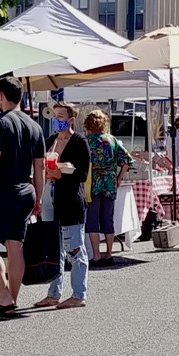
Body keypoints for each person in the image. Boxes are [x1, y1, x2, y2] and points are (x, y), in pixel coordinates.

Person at [0, 77, 45, 318]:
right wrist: (39, 197)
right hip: (26, 189)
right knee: (15, 245)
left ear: (0, 96)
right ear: (21, 96)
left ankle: (4, 296)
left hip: (2, 189)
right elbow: (40, 167)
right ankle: (11, 299)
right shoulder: (34, 126)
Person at [34, 102, 90, 310]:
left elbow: (82, 174)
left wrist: (61, 173)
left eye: (60, 116)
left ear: (70, 119)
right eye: (54, 115)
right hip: (49, 197)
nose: (56, 120)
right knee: (53, 248)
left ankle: (78, 294)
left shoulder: (79, 142)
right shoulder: (49, 141)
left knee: (74, 249)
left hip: (69, 201)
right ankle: (53, 293)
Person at [84, 110, 132, 267]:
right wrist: (119, 177)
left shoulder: (86, 141)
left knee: (92, 220)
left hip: (92, 183)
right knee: (108, 219)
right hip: (110, 183)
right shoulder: (112, 140)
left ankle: (96, 255)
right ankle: (109, 253)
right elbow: (127, 160)